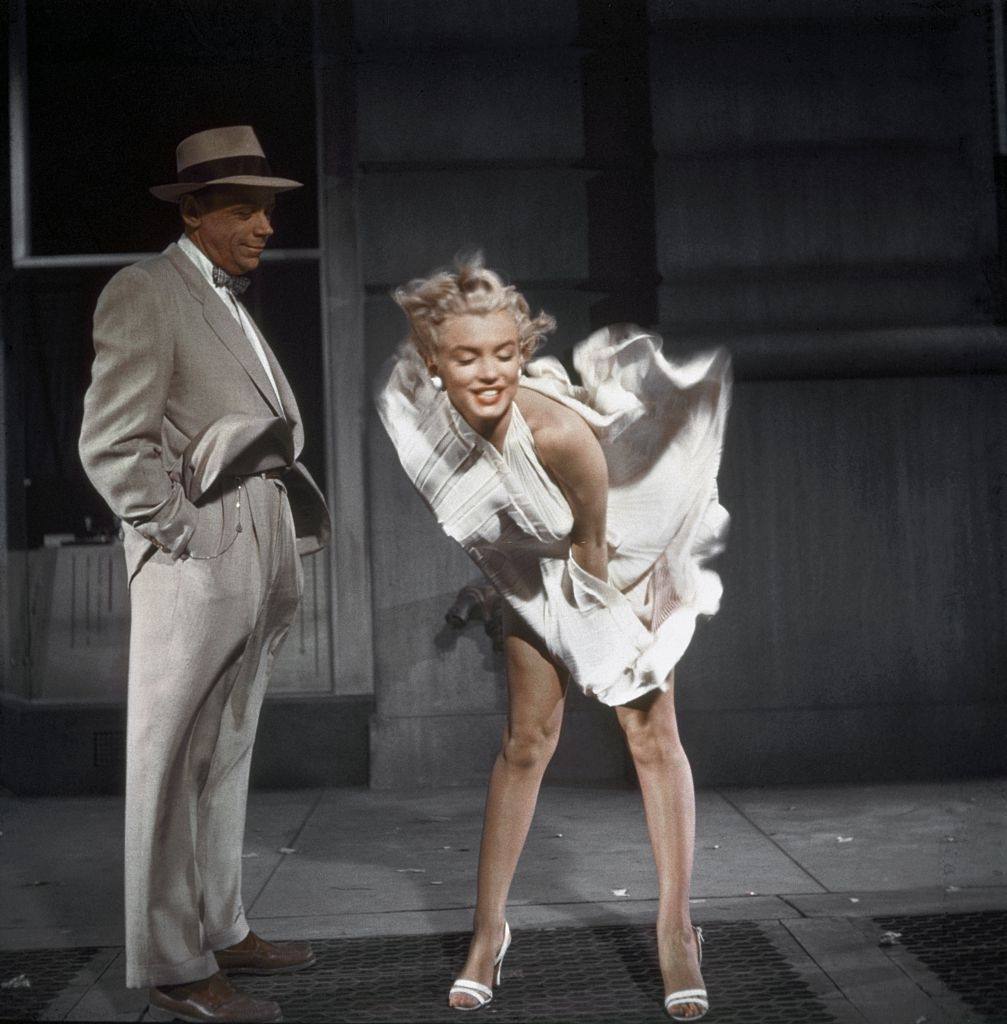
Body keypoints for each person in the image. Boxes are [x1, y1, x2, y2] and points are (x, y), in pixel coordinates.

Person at [377, 256, 730, 1020]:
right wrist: (502, 596)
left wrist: (608, 655)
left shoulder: (557, 433)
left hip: (613, 560)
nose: (490, 372)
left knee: (649, 732)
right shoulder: (422, 414)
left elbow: (595, 553)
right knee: (526, 742)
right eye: (468, 357)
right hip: (536, 562)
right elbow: (485, 514)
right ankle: (486, 933)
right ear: (436, 361)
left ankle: (675, 930)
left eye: (505, 354)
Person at [79, 126, 330, 1024]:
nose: (265, 225)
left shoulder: (224, 297)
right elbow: (113, 440)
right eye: (244, 208)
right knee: (169, 757)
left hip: (254, 537)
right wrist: (179, 531)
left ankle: (220, 926)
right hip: (198, 547)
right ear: (192, 210)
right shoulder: (146, 290)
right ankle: (175, 964)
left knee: (225, 751)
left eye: (268, 208)